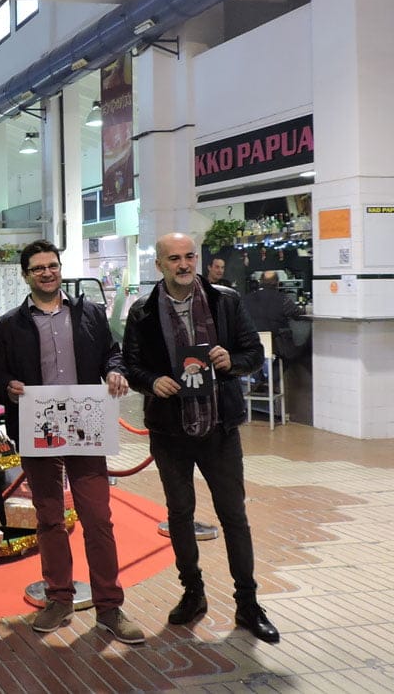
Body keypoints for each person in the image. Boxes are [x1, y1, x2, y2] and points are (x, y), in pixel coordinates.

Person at [122, 232, 279, 643]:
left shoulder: (225, 301)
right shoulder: (142, 311)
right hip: (169, 430)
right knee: (180, 514)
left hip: (219, 427)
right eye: (174, 258)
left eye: (189, 256)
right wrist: (152, 382)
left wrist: (232, 361)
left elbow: (253, 353)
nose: (184, 264)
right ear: (159, 264)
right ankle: (193, 593)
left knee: (233, 516)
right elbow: (131, 365)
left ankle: (248, 602)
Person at [0, 240, 145, 644]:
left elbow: (112, 354)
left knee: (98, 517)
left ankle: (109, 606)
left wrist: (115, 371)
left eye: (52, 265)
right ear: (26, 275)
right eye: (38, 268)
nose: (47, 273)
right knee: (49, 518)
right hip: (37, 427)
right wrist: (8, 386)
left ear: (60, 268)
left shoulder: (89, 314)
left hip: (86, 425)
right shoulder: (8, 325)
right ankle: (59, 598)